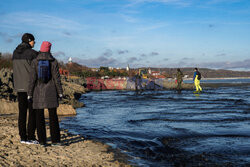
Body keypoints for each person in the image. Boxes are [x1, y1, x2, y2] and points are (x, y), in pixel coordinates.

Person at [28, 41, 63, 146]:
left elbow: (32, 80)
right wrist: (60, 92)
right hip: (51, 92)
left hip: (38, 92)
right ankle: (55, 141)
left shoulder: (35, 61)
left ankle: (42, 141)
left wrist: (29, 94)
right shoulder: (54, 61)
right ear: (49, 49)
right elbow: (57, 79)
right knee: (53, 117)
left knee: (39, 118)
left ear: (41, 48)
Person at [12, 33, 38, 144]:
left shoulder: (14, 53)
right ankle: (31, 137)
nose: (34, 43)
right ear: (29, 41)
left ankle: (23, 137)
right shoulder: (32, 53)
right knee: (32, 113)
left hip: (19, 87)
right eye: (33, 41)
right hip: (30, 87)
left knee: (22, 113)